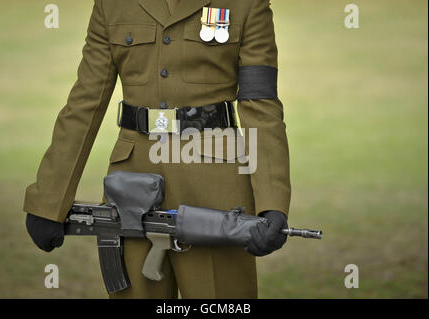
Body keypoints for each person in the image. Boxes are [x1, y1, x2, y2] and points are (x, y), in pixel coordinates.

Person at [24, 0, 291, 298]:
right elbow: (85, 102)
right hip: (131, 189)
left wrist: (273, 203)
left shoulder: (246, 4)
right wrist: (48, 200)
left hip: (217, 195)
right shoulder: (111, 5)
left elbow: (261, 105)